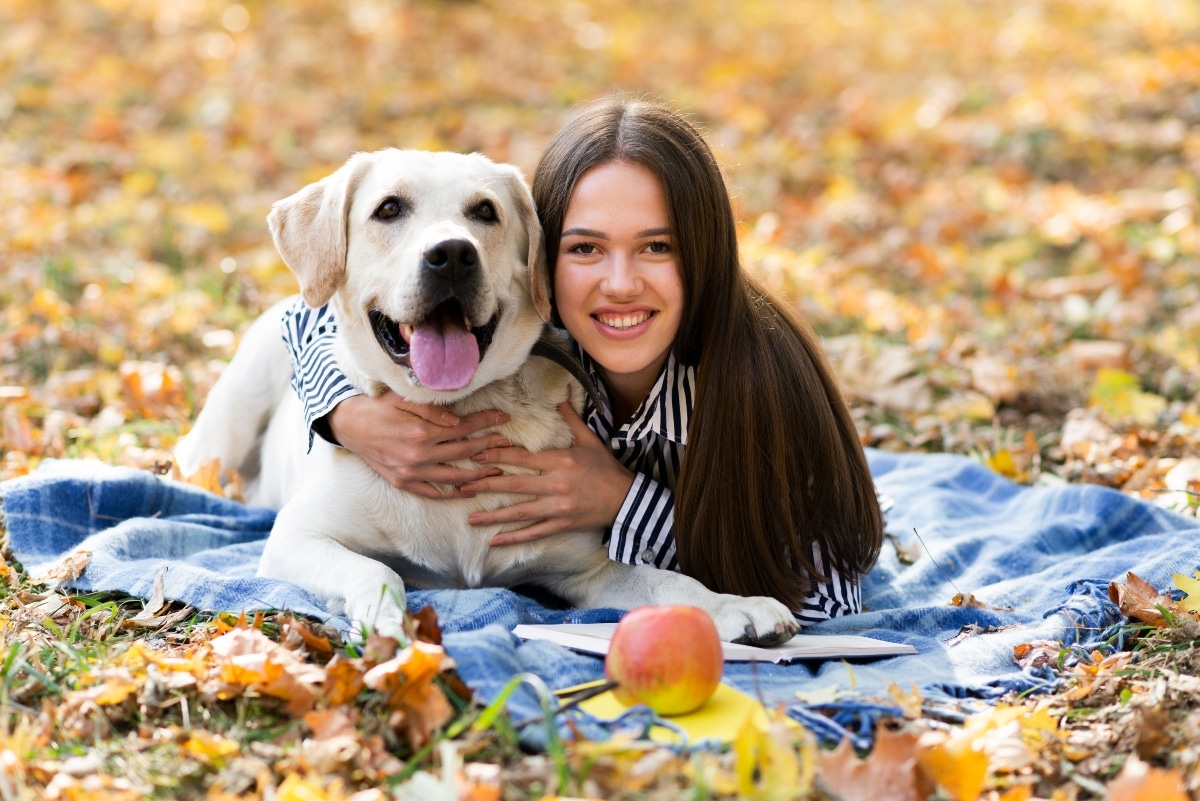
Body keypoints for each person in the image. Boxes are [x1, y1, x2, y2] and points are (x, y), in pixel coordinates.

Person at [281, 97, 884, 624]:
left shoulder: (754, 384)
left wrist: (623, 502)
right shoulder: (561, 341)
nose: (619, 283)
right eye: (587, 248)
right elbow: (300, 316)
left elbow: (825, 593)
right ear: (549, 261)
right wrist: (342, 414)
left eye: (657, 246)